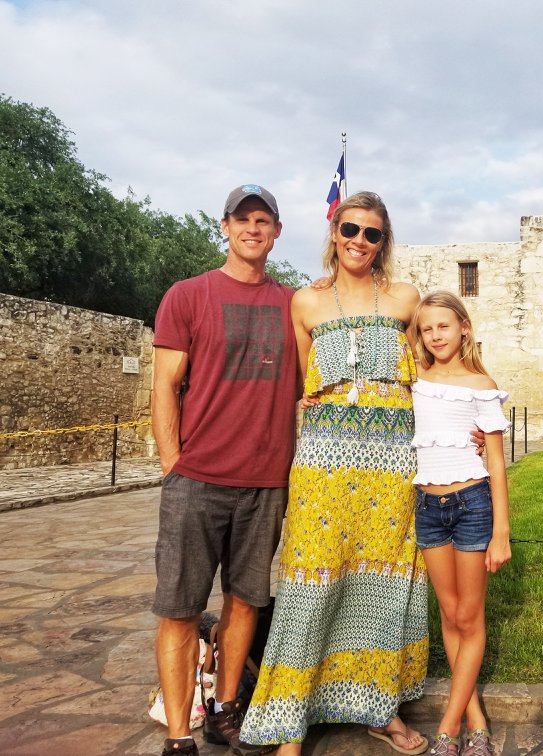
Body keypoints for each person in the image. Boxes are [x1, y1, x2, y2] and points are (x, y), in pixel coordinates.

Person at [239, 191, 430, 755]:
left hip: (393, 461)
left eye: (372, 234)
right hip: (325, 459)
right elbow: (300, 384)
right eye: (351, 229)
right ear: (334, 232)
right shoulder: (306, 303)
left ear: (383, 241)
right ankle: (289, 722)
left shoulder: (404, 298)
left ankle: (380, 707)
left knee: (384, 581)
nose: (359, 241)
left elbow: (430, 370)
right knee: (311, 578)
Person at [151, 184, 297, 756]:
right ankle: (178, 735)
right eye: (243, 219)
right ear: (225, 226)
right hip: (198, 479)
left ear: (277, 231)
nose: (253, 229)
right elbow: (164, 385)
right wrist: (172, 463)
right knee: (180, 607)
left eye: (264, 220)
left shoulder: (292, 304)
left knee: (245, 600)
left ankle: (226, 709)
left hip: (264, 481)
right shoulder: (189, 295)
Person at [410, 291, 512, 756]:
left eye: (444, 327)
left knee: (469, 617)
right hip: (429, 509)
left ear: (463, 327)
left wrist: (501, 532)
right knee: (449, 614)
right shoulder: (415, 380)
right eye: (427, 328)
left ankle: (448, 729)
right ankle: (476, 720)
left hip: (472, 505)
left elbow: (495, 459)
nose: (435, 336)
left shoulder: (480, 383)